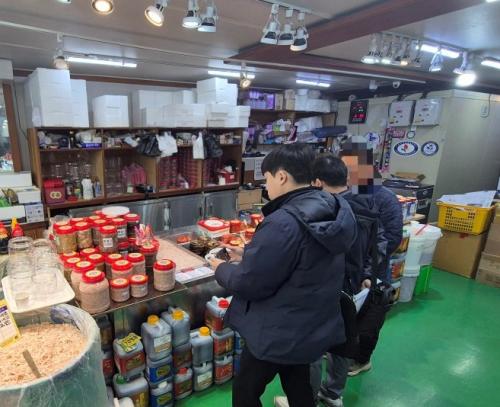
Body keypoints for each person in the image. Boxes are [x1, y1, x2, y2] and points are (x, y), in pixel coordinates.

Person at [208, 144, 356, 407]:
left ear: (282, 176)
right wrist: (249, 253)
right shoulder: (333, 206)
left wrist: (220, 268)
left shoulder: (283, 221)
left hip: (278, 330)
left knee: (245, 391)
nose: (266, 187)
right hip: (309, 323)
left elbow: (250, 283)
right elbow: (302, 258)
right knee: (298, 385)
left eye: (267, 179)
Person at [310, 153, 388, 407]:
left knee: (312, 344)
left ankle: (306, 398)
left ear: (317, 182)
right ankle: (333, 394)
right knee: (342, 340)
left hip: (324, 287)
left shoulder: (325, 209)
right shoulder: (366, 204)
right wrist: (367, 274)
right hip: (352, 288)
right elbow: (380, 242)